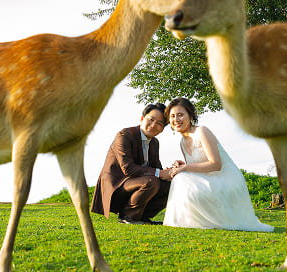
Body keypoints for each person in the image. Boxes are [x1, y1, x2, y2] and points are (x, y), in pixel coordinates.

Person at [163, 98, 274, 232]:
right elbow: (196, 167)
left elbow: (216, 164)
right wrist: (183, 165)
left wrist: (186, 167)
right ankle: (187, 221)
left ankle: (192, 221)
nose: (176, 119)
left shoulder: (202, 131)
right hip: (208, 179)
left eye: (180, 115)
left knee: (181, 177)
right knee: (180, 177)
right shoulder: (182, 142)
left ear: (191, 116)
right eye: (172, 116)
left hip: (226, 179)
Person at [91, 103, 173, 224]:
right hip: (117, 186)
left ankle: (141, 216)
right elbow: (128, 169)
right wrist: (160, 173)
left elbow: (156, 168)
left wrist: (169, 172)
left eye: (159, 123)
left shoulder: (154, 143)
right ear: (142, 119)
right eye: (151, 119)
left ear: (162, 129)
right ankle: (128, 216)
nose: (153, 125)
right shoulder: (125, 135)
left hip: (139, 184)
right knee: (152, 181)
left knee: (169, 186)